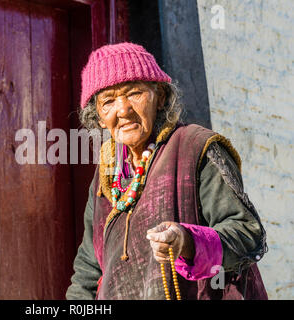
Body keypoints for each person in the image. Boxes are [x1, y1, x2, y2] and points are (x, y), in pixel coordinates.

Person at [66, 42, 268, 300]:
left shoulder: (197, 147)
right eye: (108, 101)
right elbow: (88, 267)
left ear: (160, 97)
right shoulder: (107, 171)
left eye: (135, 93)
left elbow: (248, 234)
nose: (123, 110)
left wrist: (187, 241)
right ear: (99, 115)